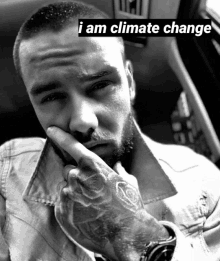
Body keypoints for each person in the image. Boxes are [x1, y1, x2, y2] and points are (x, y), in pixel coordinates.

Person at [0, 1, 220, 260]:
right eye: (50, 98)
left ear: (130, 83)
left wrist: (133, 231)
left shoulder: (203, 180)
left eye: (100, 85)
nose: (82, 121)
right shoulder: (7, 174)